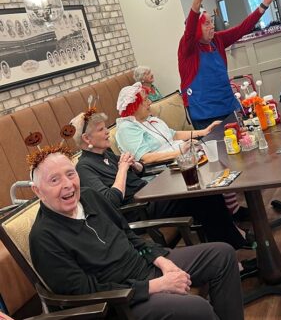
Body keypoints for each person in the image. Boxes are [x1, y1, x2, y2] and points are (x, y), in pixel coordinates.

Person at [28, 147, 244, 320]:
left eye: (70, 174)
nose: (68, 185)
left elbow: (129, 235)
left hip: (145, 267)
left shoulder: (90, 197)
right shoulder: (44, 237)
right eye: (54, 180)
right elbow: (84, 292)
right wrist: (156, 286)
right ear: (37, 191)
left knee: (221, 255)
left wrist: (162, 261)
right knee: (197, 308)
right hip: (122, 301)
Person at [70, 109, 247, 248]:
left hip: (150, 195)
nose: (108, 132)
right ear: (86, 138)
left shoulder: (105, 153)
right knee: (201, 196)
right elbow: (110, 201)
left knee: (205, 190)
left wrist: (135, 166)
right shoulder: (84, 167)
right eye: (101, 130)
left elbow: (138, 173)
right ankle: (234, 249)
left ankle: (234, 241)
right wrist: (123, 169)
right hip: (139, 209)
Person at [115, 82, 249, 221]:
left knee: (220, 158)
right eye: (145, 101)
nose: (150, 102)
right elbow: (145, 158)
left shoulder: (150, 119)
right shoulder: (127, 129)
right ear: (134, 106)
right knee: (214, 167)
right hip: (163, 173)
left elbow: (173, 135)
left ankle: (231, 208)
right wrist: (179, 152)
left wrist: (203, 131)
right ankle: (231, 213)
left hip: (181, 160)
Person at [178, 0, 281, 130]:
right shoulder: (188, 47)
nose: (212, 26)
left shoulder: (217, 40)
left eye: (212, 22)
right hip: (205, 114)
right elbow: (190, 30)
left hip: (229, 107)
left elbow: (242, 28)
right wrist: (197, 1)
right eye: (207, 23)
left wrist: (264, 5)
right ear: (197, 28)